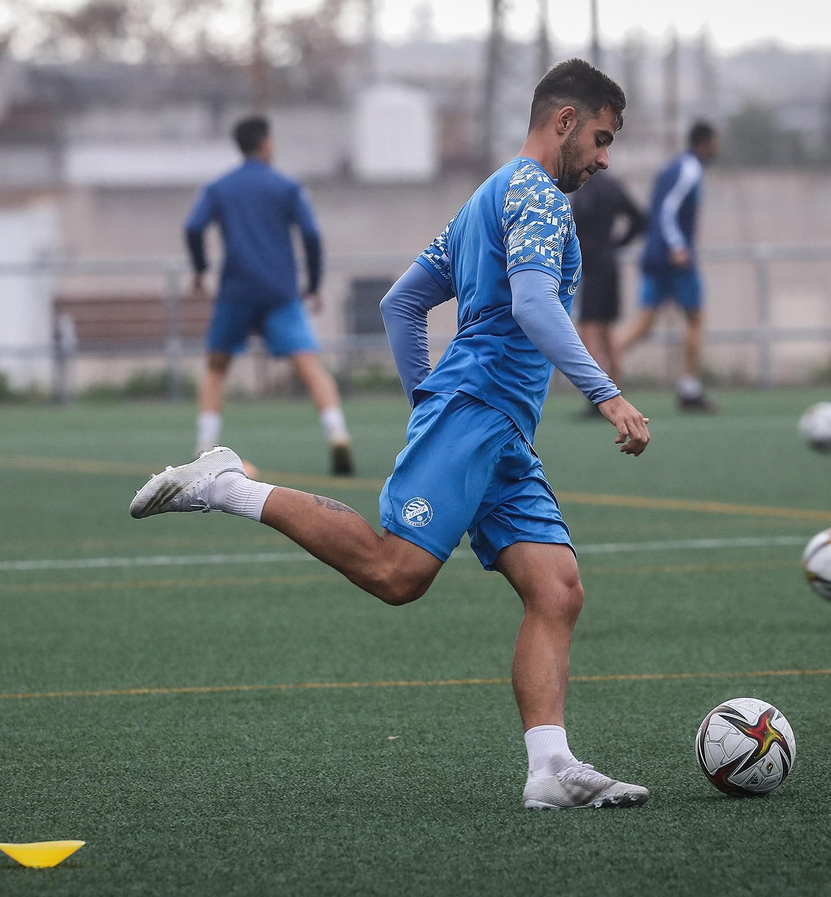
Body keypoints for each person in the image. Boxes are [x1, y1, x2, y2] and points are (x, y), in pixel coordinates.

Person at [134, 60, 653, 810]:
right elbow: (536, 306)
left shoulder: (487, 195)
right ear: (565, 121)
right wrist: (606, 394)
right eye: (602, 139)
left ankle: (549, 768)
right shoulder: (538, 195)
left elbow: (400, 304)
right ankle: (226, 483)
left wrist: (424, 405)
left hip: (494, 426)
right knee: (396, 573)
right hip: (478, 411)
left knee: (557, 588)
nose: (605, 159)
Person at [184, 116, 354, 475]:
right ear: (265, 144)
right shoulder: (286, 186)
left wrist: (199, 269)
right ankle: (337, 434)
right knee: (310, 367)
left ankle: (203, 446)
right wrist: (314, 282)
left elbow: (194, 226)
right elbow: (310, 233)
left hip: (236, 291)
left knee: (216, 369)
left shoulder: (220, 187)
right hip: (280, 291)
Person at [621, 121, 721, 413]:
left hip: (655, 256)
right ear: (705, 142)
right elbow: (666, 210)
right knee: (695, 319)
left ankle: (599, 377)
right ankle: (689, 391)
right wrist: (677, 246)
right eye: (716, 141)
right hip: (673, 260)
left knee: (643, 325)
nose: (718, 148)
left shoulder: (673, 168)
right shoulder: (689, 168)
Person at [568, 169, 645, 413]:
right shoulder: (613, 186)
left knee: (589, 328)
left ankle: (597, 395)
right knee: (607, 329)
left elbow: (574, 228)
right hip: (610, 264)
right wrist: (617, 244)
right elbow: (641, 219)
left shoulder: (583, 189)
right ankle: (615, 391)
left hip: (589, 266)